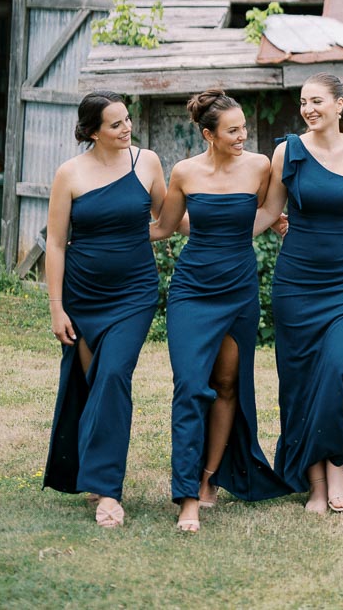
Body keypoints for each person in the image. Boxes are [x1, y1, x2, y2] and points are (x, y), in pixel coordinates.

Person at [148, 89, 284, 532]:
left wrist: (250, 233)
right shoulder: (184, 172)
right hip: (193, 289)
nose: (243, 135)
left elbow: (267, 210)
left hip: (240, 288)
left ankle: (209, 478)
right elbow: (168, 227)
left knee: (228, 384)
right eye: (233, 130)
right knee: (190, 386)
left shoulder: (260, 166)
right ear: (208, 134)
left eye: (244, 127)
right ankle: (186, 497)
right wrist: (105, 230)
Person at [43, 92, 168, 529]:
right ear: (92, 130)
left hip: (134, 293)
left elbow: (168, 220)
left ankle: (108, 493)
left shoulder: (147, 163)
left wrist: (230, 215)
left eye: (127, 120)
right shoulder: (69, 174)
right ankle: (94, 472)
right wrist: (57, 307)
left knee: (114, 375)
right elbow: (55, 244)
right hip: (82, 295)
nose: (126, 128)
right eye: (115, 124)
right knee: (95, 381)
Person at [253, 73, 343, 513]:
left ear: (341, 104)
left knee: (341, 367)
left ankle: (337, 463)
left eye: (318, 100)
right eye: (304, 101)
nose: (309, 108)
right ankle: (316, 482)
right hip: (296, 283)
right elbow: (270, 209)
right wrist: (222, 239)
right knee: (301, 381)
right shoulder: (287, 151)